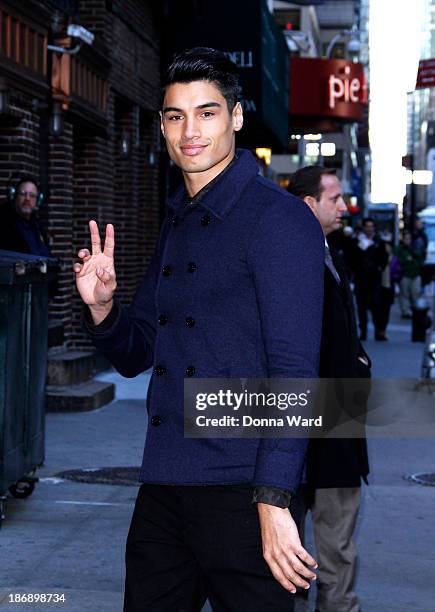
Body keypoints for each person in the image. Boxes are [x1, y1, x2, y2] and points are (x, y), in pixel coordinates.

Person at [74, 48, 325, 611]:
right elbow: (137, 352)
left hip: (244, 490)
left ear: (235, 117)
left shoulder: (279, 221)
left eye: (207, 113)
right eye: (174, 115)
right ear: (162, 124)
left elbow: (295, 374)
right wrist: (101, 309)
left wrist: (274, 500)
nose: (190, 131)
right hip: (165, 485)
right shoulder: (177, 221)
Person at [288, 166, 370, 612]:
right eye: (335, 198)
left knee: (336, 546)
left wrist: (360, 364)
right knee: (309, 549)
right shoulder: (290, 263)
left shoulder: (331, 254)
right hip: (309, 426)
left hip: (334, 423)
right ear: (308, 204)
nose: (343, 207)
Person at [350, 217, 388, 341]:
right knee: (361, 307)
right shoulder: (356, 241)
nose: (370, 229)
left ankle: (379, 332)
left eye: (372, 226)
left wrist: (379, 268)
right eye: (367, 226)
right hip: (361, 279)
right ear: (364, 228)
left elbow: (384, 257)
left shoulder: (379, 242)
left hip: (374, 279)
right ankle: (364, 332)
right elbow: (352, 258)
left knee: (376, 305)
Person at [0, 176, 51, 256]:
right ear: (15, 196)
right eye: (23, 194)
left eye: (32, 195)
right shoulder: (3, 223)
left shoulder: (38, 226)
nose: (27, 198)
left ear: (37, 200)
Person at [395, 230, 424, 318]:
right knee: (404, 294)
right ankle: (406, 312)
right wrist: (405, 260)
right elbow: (396, 261)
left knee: (416, 293)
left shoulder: (415, 248)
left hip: (415, 274)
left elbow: (420, 258)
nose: (407, 240)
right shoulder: (399, 249)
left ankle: (416, 310)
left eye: (409, 239)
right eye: (406, 239)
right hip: (405, 274)